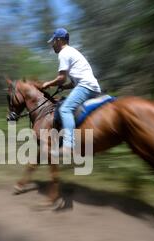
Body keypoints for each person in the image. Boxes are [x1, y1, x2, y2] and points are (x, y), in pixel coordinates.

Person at [42, 28, 101, 156]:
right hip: (93, 87)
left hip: (85, 86)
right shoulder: (73, 51)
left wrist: (48, 84)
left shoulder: (63, 53)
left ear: (59, 40)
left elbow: (61, 78)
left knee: (65, 109)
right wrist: (64, 87)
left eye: (53, 42)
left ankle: (69, 145)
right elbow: (73, 82)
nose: (52, 45)